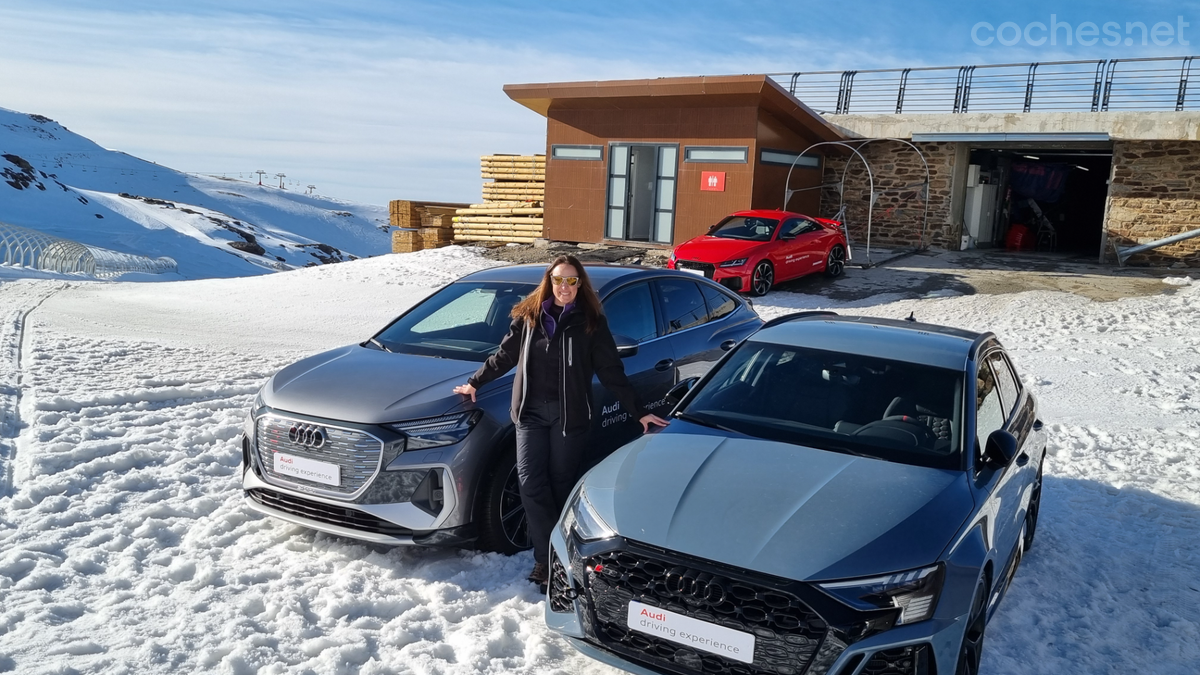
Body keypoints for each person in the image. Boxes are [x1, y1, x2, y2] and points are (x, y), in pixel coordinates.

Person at [453, 255, 669, 588]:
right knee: (529, 482)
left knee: (560, 483)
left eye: (571, 280)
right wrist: (475, 382)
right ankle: (547, 557)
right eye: (558, 279)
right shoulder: (529, 316)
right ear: (549, 280)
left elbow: (611, 371)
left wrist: (638, 410)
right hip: (530, 413)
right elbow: (505, 355)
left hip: (570, 417)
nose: (564, 287)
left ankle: (560, 554)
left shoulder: (591, 322)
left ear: (580, 284)